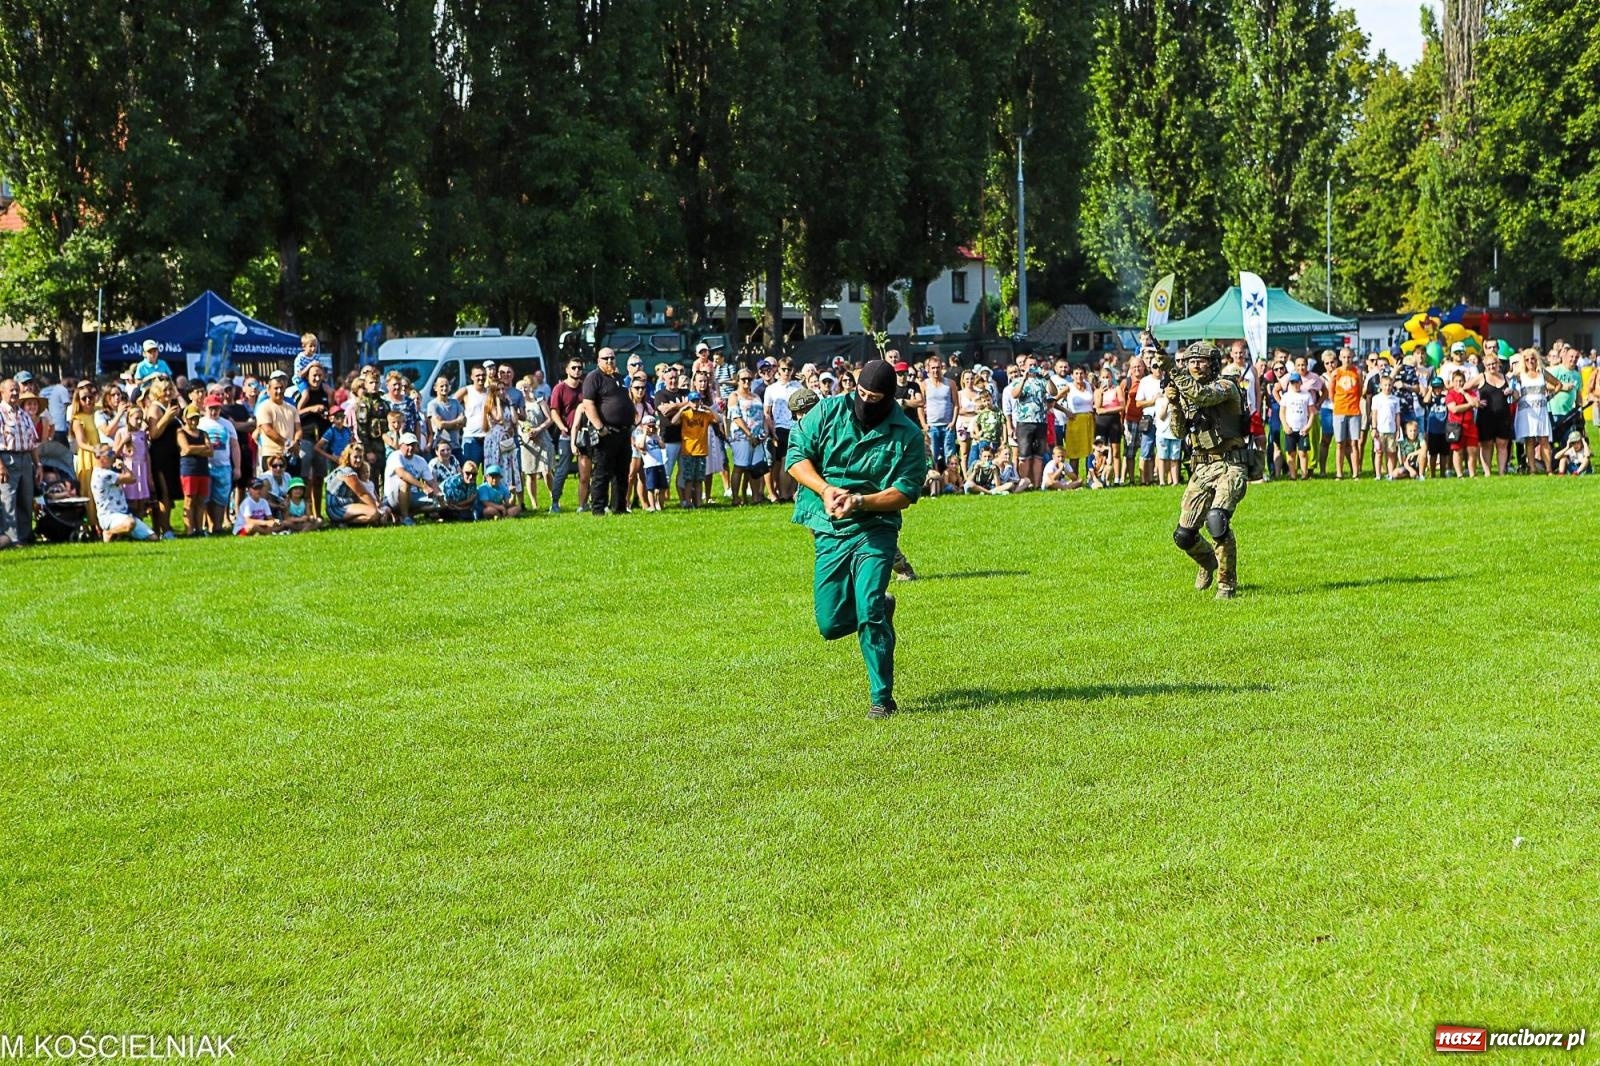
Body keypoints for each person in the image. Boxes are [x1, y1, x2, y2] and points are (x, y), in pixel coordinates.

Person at [785, 359, 928, 719]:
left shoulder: (908, 434)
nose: (866, 401)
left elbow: (905, 492)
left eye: (875, 397)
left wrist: (861, 501)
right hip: (830, 526)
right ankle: (881, 607)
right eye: (861, 393)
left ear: (889, 396)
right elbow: (796, 455)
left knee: (868, 609)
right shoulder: (830, 410)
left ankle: (882, 699)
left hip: (875, 527)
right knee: (830, 625)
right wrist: (826, 488)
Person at [1152, 342, 1248, 599]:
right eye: (1190, 361)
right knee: (1183, 536)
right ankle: (1208, 563)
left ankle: (1226, 584)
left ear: (1213, 363)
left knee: (1217, 521)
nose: (1195, 365)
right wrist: (1173, 404)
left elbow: (1204, 396)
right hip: (1202, 467)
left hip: (1230, 465)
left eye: (1201, 361)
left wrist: (1173, 369)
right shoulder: (1187, 391)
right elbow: (1179, 432)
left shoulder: (1226, 387)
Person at [579, 347, 634, 515]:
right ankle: (598, 509)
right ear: (598, 361)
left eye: (612, 358)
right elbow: (588, 404)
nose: (609, 361)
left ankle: (619, 507)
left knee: (621, 472)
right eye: (605, 358)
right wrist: (599, 427)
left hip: (623, 432)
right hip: (606, 433)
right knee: (602, 473)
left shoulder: (619, 378)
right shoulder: (594, 377)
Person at [0, 377, 42, 548]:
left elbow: (32, 442)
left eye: (17, 389)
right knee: (8, 499)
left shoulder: (24, 414)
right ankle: (12, 539)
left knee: (26, 498)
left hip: (26, 458)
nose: (15, 393)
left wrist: (38, 464)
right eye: (12, 390)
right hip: (7, 458)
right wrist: (1, 466)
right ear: (2, 392)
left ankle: (25, 536)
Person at [1513, 348, 1566, 475]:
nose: (1530, 361)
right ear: (1523, 361)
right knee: (1530, 441)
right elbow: (1513, 388)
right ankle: (1532, 469)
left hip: (1541, 410)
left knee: (1544, 440)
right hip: (1526, 412)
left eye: (1533, 358)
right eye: (1527, 360)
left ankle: (1549, 469)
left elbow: (1558, 384)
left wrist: (1549, 397)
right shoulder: (1520, 375)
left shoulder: (1542, 372)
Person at [89, 444, 157, 542]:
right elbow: (132, 478)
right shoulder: (103, 475)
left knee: (153, 538)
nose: (114, 456)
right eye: (110, 453)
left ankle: (122, 535)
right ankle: (109, 532)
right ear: (101, 458)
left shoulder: (108, 472)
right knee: (130, 523)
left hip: (123, 514)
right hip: (109, 516)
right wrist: (123, 466)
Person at [198, 392, 239, 534]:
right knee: (206, 497)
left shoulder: (227, 424)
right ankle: (208, 526)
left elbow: (234, 446)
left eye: (217, 408)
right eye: (211, 408)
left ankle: (218, 526)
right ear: (205, 407)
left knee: (221, 497)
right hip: (206, 465)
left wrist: (237, 467)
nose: (214, 411)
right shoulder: (200, 423)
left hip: (224, 466)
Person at [296, 362, 333, 517]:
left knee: (319, 478)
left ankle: (318, 513)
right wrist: (311, 409)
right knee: (305, 478)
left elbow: (332, 411)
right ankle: (306, 513)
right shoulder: (303, 394)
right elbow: (295, 413)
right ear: (308, 377)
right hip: (305, 437)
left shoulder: (325, 392)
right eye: (314, 376)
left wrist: (326, 412)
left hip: (322, 439)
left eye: (319, 375)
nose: (317, 379)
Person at [726, 369, 768, 504]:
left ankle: (756, 496)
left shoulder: (756, 396)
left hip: (758, 436)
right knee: (740, 466)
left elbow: (763, 415)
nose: (746, 381)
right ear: (737, 380)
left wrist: (765, 431)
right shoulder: (734, 396)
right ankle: (736, 497)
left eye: (749, 379)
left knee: (756, 467)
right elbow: (736, 416)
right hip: (741, 436)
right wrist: (749, 434)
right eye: (743, 379)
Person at [325, 444, 387, 527]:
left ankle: (344, 522)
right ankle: (343, 523)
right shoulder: (347, 471)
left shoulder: (348, 469)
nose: (358, 460)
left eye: (360, 457)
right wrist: (376, 508)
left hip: (344, 504)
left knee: (375, 513)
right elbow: (362, 494)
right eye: (355, 457)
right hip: (337, 508)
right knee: (373, 513)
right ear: (348, 457)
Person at [383, 433, 440, 523]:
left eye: (413, 445)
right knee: (405, 483)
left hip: (412, 496)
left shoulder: (421, 460)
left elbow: (431, 481)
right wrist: (423, 486)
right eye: (408, 445)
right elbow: (402, 474)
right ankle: (406, 517)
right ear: (401, 445)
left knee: (438, 503)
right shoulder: (395, 456)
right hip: (392, 497)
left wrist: (439, 494)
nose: (411, 448)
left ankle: (409, 514)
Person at [175, 406, 214, 535]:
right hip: (189, 470)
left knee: (201, 500)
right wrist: (203, 448)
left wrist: (195, 449)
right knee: (189, 499)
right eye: (191, 419)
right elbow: (186, 449)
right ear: (185, 419)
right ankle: (189, 529)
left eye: (196, 418)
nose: (194, 421)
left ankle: (199, 528)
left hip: (203, 470)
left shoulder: (203, 433)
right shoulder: (181, 432)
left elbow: (211, 452)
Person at [1328, 347, 1363, 480]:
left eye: (1349, 357)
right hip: (1339, 411)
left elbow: (1359, 391)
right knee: (1340, 443)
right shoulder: (1336, 373)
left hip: (1354, 411)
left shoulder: (1357, 372)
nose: (1347, 360)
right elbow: (1331, 393)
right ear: (1340, 358)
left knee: (1354, 442)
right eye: (1344, 357)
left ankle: (1355, 473)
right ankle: (1339, 473)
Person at [1443, 370, 1483, 479]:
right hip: (1456, 426)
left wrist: (1465, 394)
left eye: (1461, 381)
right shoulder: (1450, 394)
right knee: (1457, 451)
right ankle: (1459, 474)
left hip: (1470, 425)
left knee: (1472, 451)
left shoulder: (1469, 392)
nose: (1458, 384)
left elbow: (1476, 404)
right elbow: (1454, 409)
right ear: (1452, 382)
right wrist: (1469, 405)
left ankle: (1472, 474)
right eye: (1456, 381)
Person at [1277, 372, 1312, 481]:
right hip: (1291, 429)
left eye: (1297, 382)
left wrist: (1308, 426)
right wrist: (1285, 425)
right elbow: (1282, 412)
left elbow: (1312, 413)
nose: (1295, 385)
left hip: (1302, 428)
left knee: (1303, 452)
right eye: (1292, 383)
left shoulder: (1306, 395)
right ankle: (1293, 475)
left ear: (1301, 383)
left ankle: (1304, 474)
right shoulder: (1287, 396)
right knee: (1291, 453)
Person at [1368, 373, 1402, 479]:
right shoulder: (1376, 398)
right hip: (1380, 430)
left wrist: (1397, 429)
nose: (1388, 387)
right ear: (1381, 386)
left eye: (1390, 385)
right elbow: (1374, 414)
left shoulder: (1395, 399)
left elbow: (1397, 415)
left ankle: (1390, 474)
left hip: (1391, 430)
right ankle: (1378, 474)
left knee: (1391, 453)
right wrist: (1374, 428)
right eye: (1385, 385)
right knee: (1379, 452)